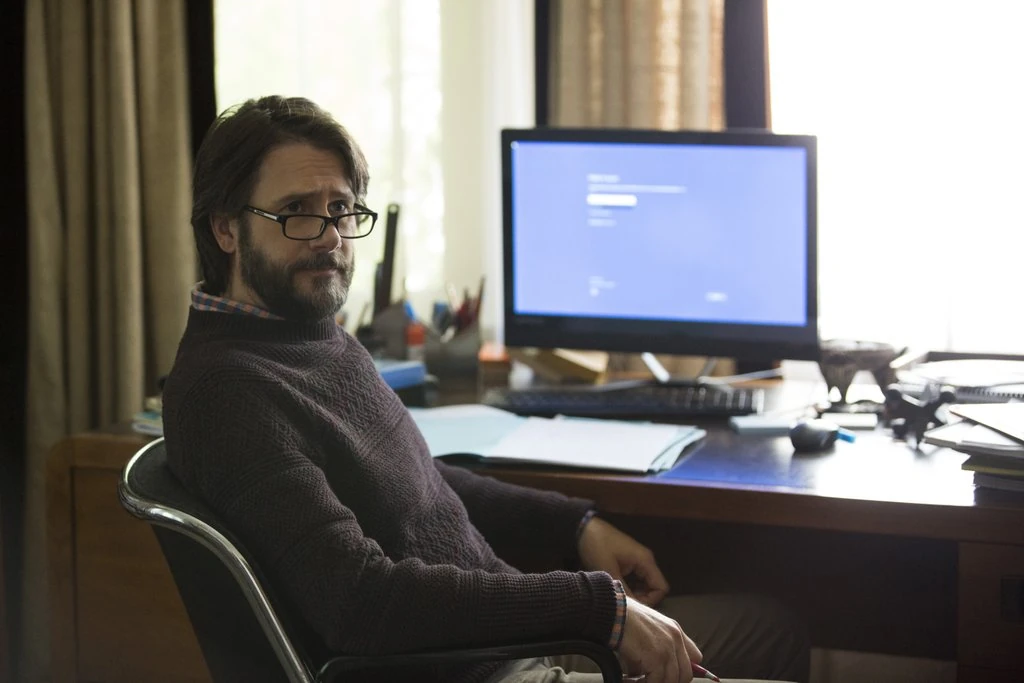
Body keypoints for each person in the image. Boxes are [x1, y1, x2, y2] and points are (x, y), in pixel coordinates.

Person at [163, 95, 810, 683]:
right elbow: (361, 602)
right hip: (479, 669)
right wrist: (598, 608)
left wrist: (574, 524)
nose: (331, 237)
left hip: (514, 637)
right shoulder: (227, 391)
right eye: (296, 213)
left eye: (339, 209)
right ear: (226, 229)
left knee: (771, 628)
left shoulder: (306, 333)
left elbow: (420, 482)